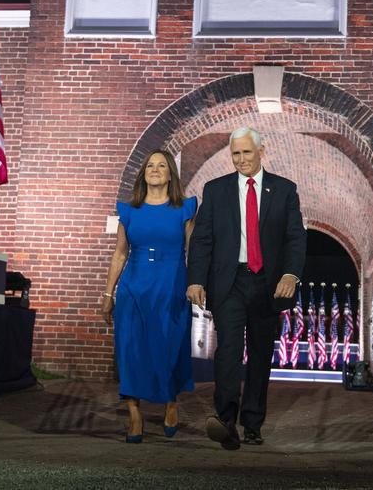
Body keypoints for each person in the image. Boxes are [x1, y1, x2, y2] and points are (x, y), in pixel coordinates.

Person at [187, 127, 306, 450]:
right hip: (230, 282)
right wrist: (196, 279)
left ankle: (252, 423)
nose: (241, 159)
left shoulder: (284, 190)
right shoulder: (216, 190)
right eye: (236, 153)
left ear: (261, 151)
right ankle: (226, 422)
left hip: (268, 284)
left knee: (260, 353)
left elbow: (295, 238)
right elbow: (202, 240)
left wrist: (290, 275)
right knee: (228, 349)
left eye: (247, 152)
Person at [101, 150, 197, 443]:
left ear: (170, 175)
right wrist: (108, 293)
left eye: (162, 165)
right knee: (130, 349)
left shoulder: (185, 209)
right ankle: (134, 415)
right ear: (143, 173)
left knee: (170, 347)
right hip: (133, 287)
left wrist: (197, 284)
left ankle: (171, 403)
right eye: (150, 165)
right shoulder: (129, 211)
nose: (155, 169)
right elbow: (120, 254)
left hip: (172, 286)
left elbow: (194, 253)